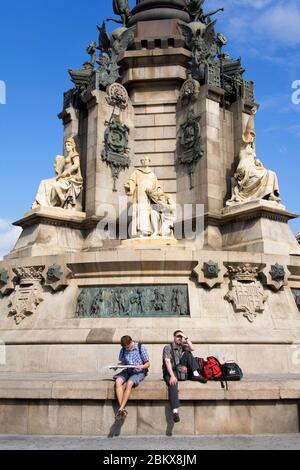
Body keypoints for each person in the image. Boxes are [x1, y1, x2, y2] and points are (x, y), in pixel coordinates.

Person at [163, 330, 207, 423]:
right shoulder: (168, 347)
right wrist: (172, 376)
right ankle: (175, 411)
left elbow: (192, 348)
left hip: (180, 370)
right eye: (177, 336)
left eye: (180, 337)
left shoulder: (183, 346)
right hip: (170, 371)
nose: (179, 338)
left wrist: (185, 337)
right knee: (173, 384)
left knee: (188, 353)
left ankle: (196, 374)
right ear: (174, 337)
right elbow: (167, 362)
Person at [114, 335, 150, 421]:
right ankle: (122, 409)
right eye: (126, 348)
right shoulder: (123, 349)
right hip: (128, 370)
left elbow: (148, 364)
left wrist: (140, 366)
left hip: (139, 371)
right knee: (118, 382)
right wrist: (117, 366)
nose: (128, 349)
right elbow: (123, 362)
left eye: (129, 347)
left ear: (131, 342)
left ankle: (120, 409)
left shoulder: (141, 347)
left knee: (129, 383)